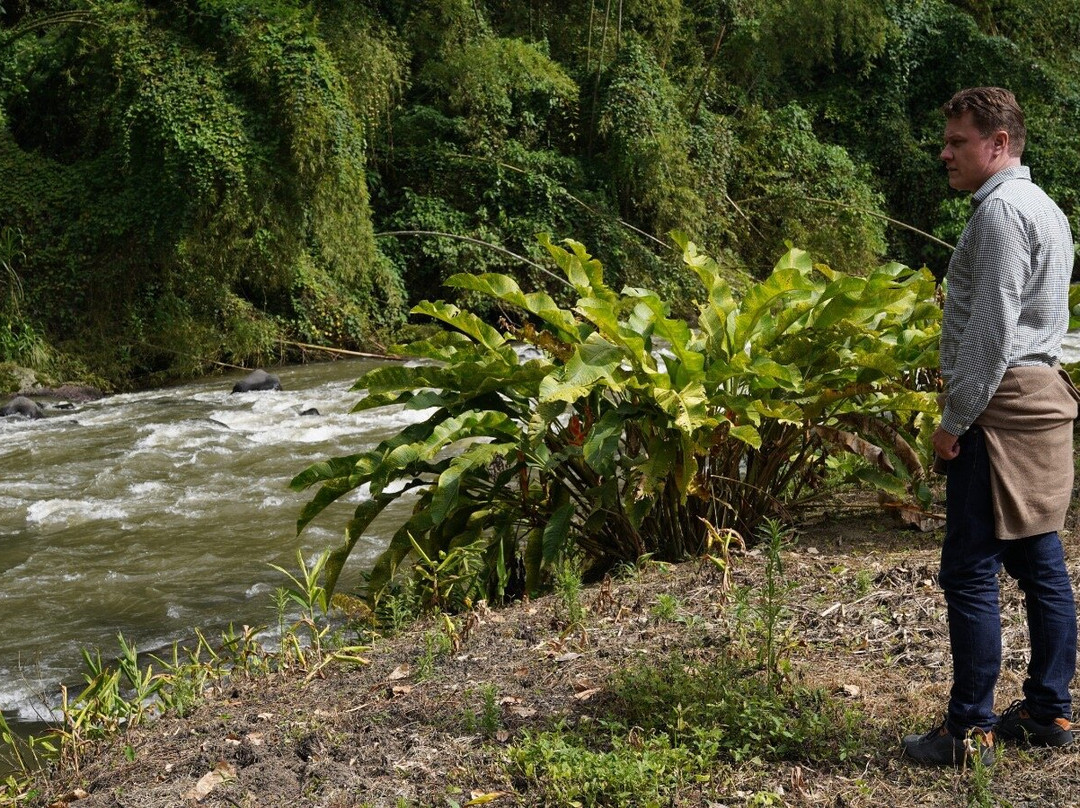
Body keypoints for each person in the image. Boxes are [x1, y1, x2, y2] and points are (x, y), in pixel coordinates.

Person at [902, 86, 1079, 767]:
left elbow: (992, 329)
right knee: (1041, 562)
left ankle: (969, 731)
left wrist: (953, 421)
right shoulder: (1045, 206)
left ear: (997, 144)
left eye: (957, 141)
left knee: (970, 569)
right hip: (1040, 400)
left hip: (1001, 408)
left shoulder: (1002, 212)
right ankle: (1047, 710)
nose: (945, 153)